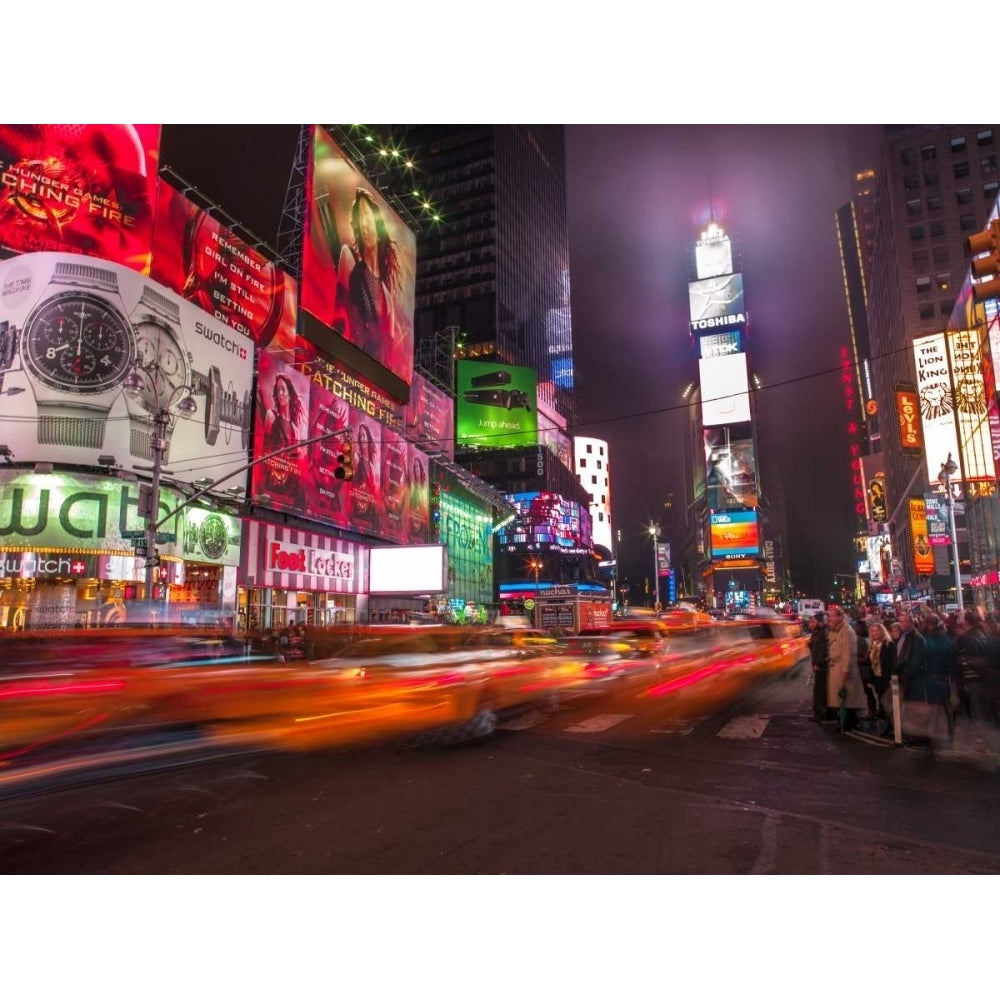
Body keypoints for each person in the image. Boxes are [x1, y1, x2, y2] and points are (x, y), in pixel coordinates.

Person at [336, 188, 402, 361]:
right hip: (347, 360)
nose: (364, 225)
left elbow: (390, 349)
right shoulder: (349, 259)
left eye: (367, 217)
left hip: (375, 376)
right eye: (359, 219)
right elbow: (339, 317)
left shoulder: (387, 294)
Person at [826, 605, 866, 730]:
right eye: (829, 616)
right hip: (836, 668)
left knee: (846, 698)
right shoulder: (835, 630)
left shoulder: (846, 631)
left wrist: (845, 670)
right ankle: (846, 721)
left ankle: (848, 722)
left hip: (842, 669)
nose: (830, 619)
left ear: (840, 617)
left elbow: (847, 653)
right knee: (841, 698)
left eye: (832, 616)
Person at [807, 612, 830, 722]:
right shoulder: (815, 633)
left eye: (813, 622)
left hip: (821, 666)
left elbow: (823, 650)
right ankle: (821, 712)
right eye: (810, 622)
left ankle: (819, 713)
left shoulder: (822, 633)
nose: (810, 624)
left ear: (820, 623)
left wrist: (818, 664)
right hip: (818, 665)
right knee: (820, 690)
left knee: (819, 691)